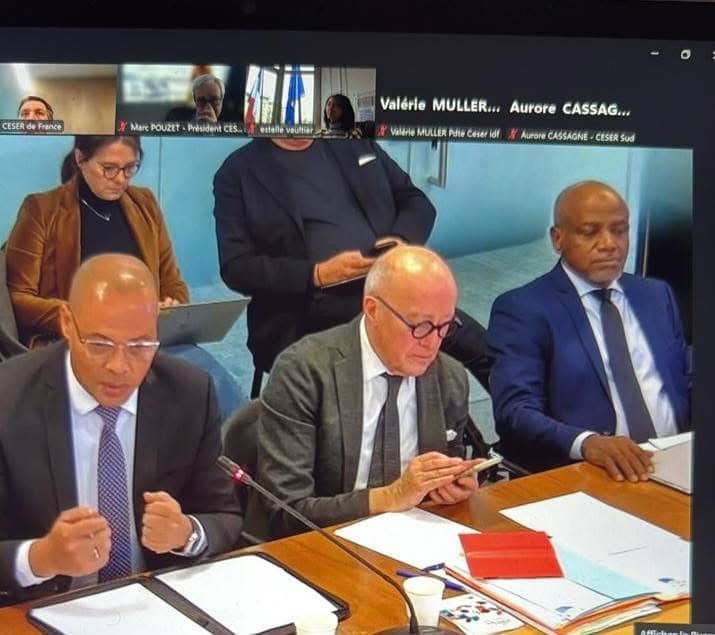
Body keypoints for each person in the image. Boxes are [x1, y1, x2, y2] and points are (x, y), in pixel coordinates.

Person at [0, 255, 243, 605]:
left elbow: (224, 515)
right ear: (67, 322)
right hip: (42, 608)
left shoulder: (189, 392)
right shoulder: (8, 399)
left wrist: (186, 533)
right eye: (100, 345)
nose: (119, 366)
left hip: (153, 603)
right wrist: (41, 558)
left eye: (140, 346)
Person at [213, 137, 493, 396]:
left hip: (392, 291)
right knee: (404, 370)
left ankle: (510, 429)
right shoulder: (238, 172)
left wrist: (400, 241)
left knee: (490, 353)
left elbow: (416, 201)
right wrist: (318, 275)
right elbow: (237, 266)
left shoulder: (354, 144)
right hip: (306, 311)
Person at [244, 246, 487, 540]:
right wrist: (391, 496)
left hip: (416, 539)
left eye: (445, 326)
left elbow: (440, 480)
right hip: (322, 544)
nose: (432, 343)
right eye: (420, 326)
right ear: (373, 310)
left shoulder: (450, 378)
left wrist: (450, 485)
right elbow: (286, 512)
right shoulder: (304, 373)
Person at [5, 135, 244, 418]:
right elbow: (17, 298)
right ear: (81, 159)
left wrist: (171, 304)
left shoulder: (145, 204)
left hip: (143, 339)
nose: (120, 179)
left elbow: (173, 284)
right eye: (109, 169)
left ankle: (233, 445)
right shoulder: (42, 210)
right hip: (79, 342)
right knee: (184, 384)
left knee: (208, 381)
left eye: (130, 168)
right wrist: (82, 317)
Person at [487, 181, 690, 481]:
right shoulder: (524, 309)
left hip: (676, 462)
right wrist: (587, 443)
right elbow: (515, 412)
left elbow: (686, 377)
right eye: (589, 232)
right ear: (558, 238)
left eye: (619, 230)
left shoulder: (656, 295)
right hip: (591, 473)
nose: (609, 244)